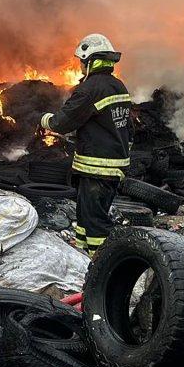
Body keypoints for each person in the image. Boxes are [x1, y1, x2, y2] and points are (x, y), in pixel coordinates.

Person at [40, 34, 132, 257]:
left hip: (96, 169)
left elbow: (62, 123)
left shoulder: (90, 89)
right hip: (113, 165)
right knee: (86, 219)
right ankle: (84, 256)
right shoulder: (118, 86)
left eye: (82, 61)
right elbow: (128, 126)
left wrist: (45, 120)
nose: (80, 66)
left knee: (95, 223)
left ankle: (104, 265)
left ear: (91, 61)